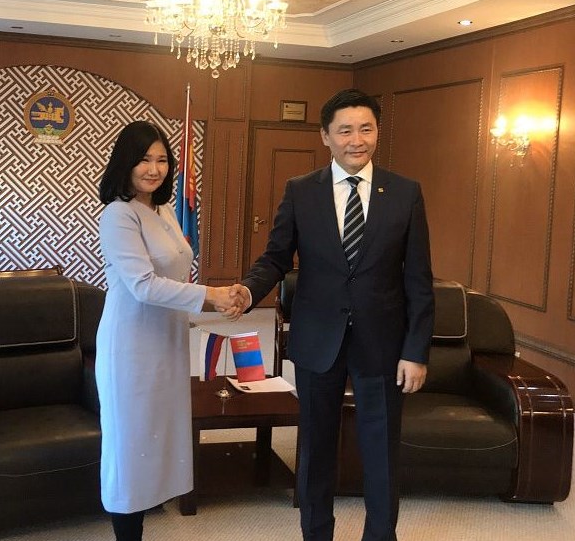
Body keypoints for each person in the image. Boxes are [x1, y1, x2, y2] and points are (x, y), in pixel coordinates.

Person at [231, 89, 435, 541]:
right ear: (325, 136)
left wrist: (416, 351)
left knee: (381, 450)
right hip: (318, 338)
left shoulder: (405, 193)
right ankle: (316, 533)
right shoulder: (301, 191)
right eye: (345, 131)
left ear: (377, 133)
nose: (356, 140)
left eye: (366, 129)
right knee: (315, 448)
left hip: (383, 343)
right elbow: (276, 257)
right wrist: (247, 290)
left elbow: (419, 279)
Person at [95, 120, 238, 541]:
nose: (154, 169)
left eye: (162, 160)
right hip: (131, 346)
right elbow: (142, 285)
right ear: (125, 163)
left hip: (169, 341)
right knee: (130, 445)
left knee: (159, 438)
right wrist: (211, 295)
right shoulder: (118, 214)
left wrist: (216, 302)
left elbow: (176, 273)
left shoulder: (166, 211)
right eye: (144, 159)